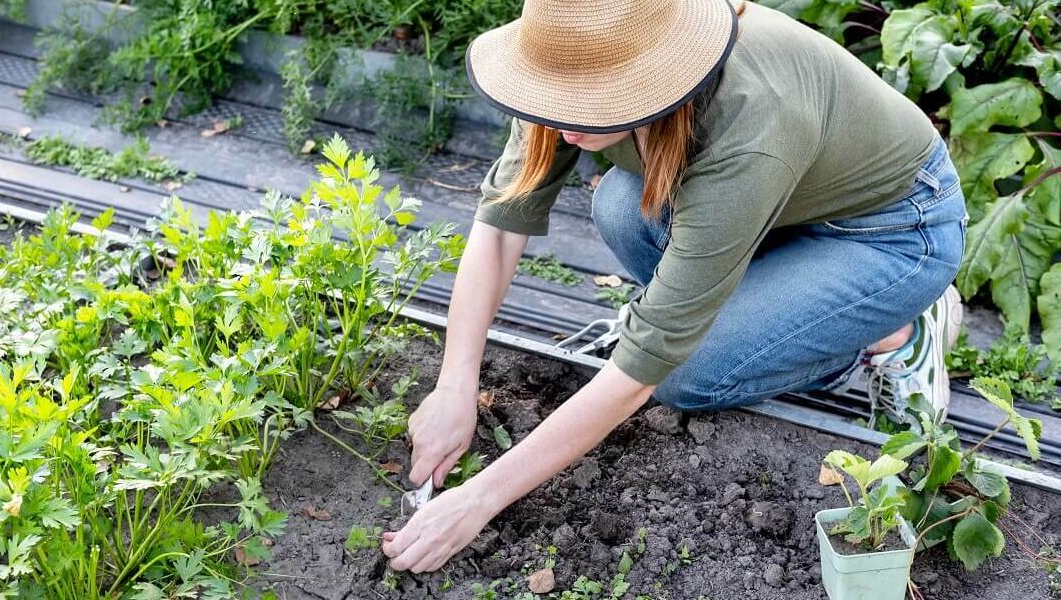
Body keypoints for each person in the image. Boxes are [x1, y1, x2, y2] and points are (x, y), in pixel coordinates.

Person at [381, 0, 968, 573]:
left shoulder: (749, 117)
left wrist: (478, 499)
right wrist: (455, 385)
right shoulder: (569, 62)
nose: (561, 124)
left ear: (653, 76)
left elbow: (645, 366)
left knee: (688, 374)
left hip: (890, 233)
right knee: (620, 204)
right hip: (781, 204)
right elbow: (503, 225)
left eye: (589, 107)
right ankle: (774, 301)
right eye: (557, 102)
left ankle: (893, 329)